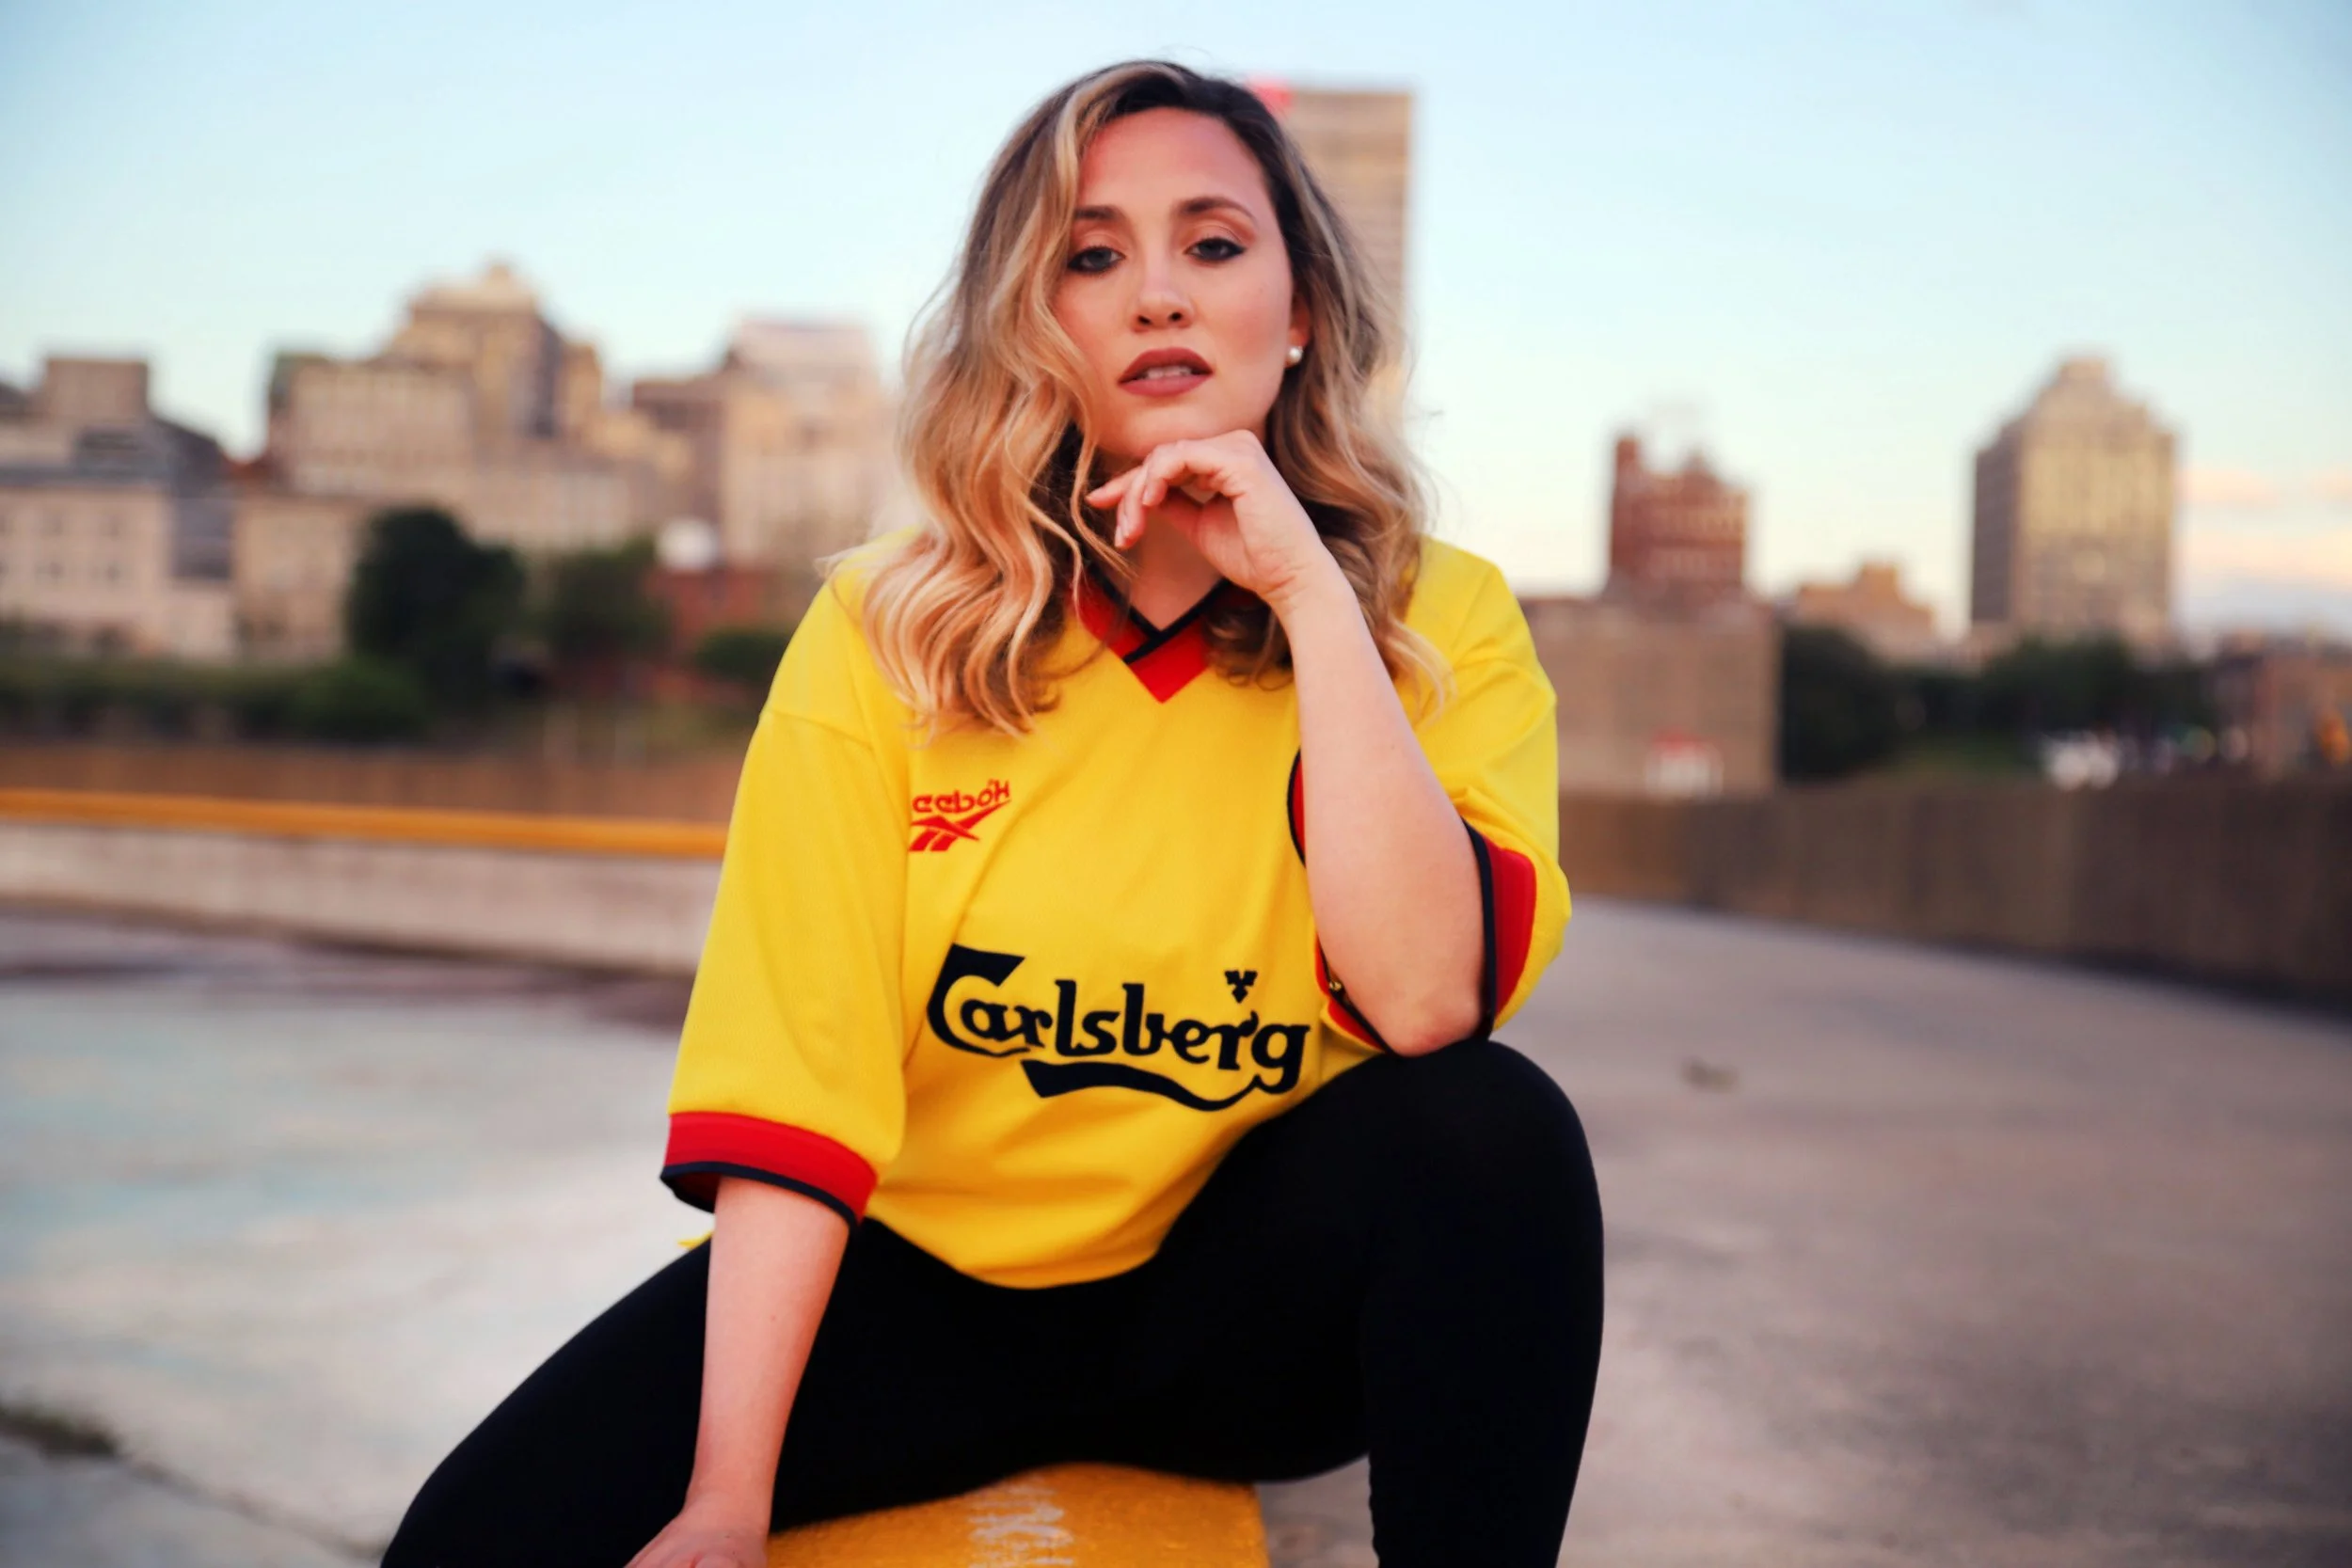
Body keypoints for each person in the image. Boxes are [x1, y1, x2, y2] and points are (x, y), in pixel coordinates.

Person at [385, 58, 1602, 1568]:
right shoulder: (889, 626)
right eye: (1093, 256)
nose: (1156, 293)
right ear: (1040, 325)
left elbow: (1429, 998)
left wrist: (1308, 595)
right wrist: (726, 1499)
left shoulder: (1445, 617)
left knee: (1494, 1131)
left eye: (1212, 245)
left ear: (1298, 316)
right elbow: (798, 1077)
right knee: (467, 1547)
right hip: (919, 1290)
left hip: (1232, 1316)